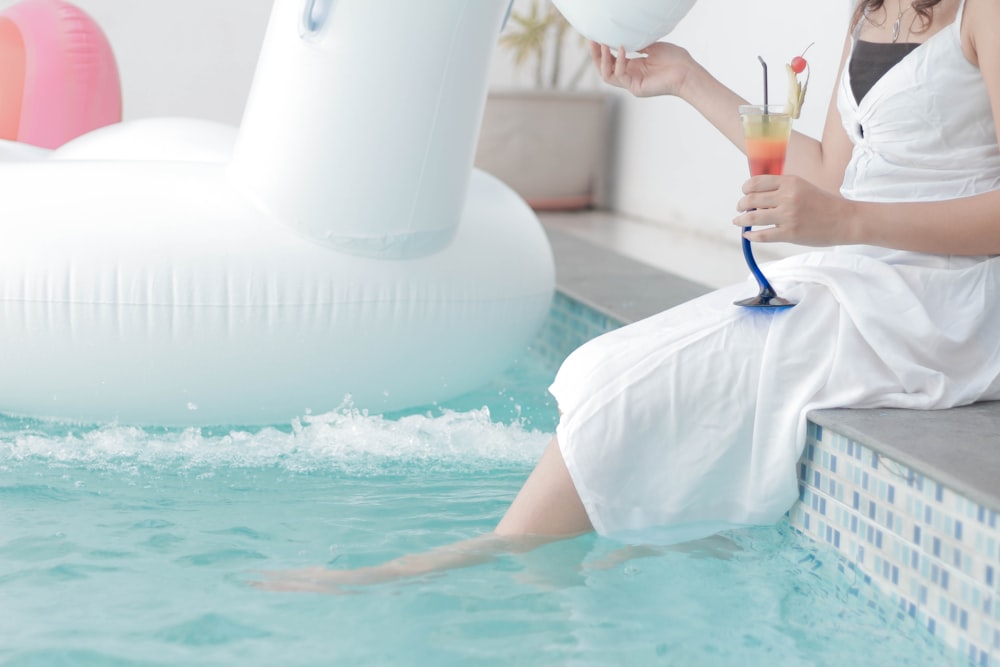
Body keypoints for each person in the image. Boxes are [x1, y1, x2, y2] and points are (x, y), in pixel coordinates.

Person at [257, 0, 1000, 592]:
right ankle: (600, 549)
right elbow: (831, 171)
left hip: (934, 306)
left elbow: (853, 204)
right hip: (854, 277)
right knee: (603, 360)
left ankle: (469, 565)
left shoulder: (982, 12)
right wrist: (685, 79)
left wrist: (845, 221)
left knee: (626, 380)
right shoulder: (870, 10)